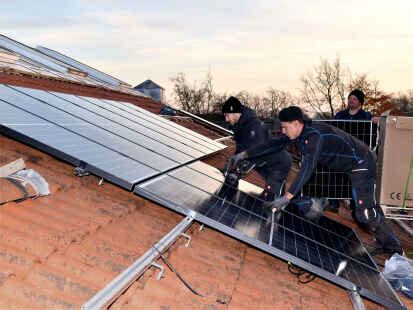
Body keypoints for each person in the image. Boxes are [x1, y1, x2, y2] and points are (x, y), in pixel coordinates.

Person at [231, 106, 402, 256]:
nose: (283, 131)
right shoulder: (298, 133)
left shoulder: (314, 136)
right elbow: (272, 144)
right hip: (345, 166)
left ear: (297, 123)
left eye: (285, 127)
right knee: (362, 208)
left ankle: (393, 247)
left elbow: (308, 167)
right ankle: (385, 241)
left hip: (361, 164)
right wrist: (244, 154)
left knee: (364, 212)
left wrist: (287, 197)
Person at [223, 96, 291, 199]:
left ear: (235, 113)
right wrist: (232, 164)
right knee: (267, 197)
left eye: (227, 115)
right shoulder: (241, 126)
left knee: (271, 198)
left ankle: (282, 210)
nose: (226, 119)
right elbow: (241, 149)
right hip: (266, 161)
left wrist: (237, 171)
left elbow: (253, 154)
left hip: (278, 163)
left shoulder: (253, 128)